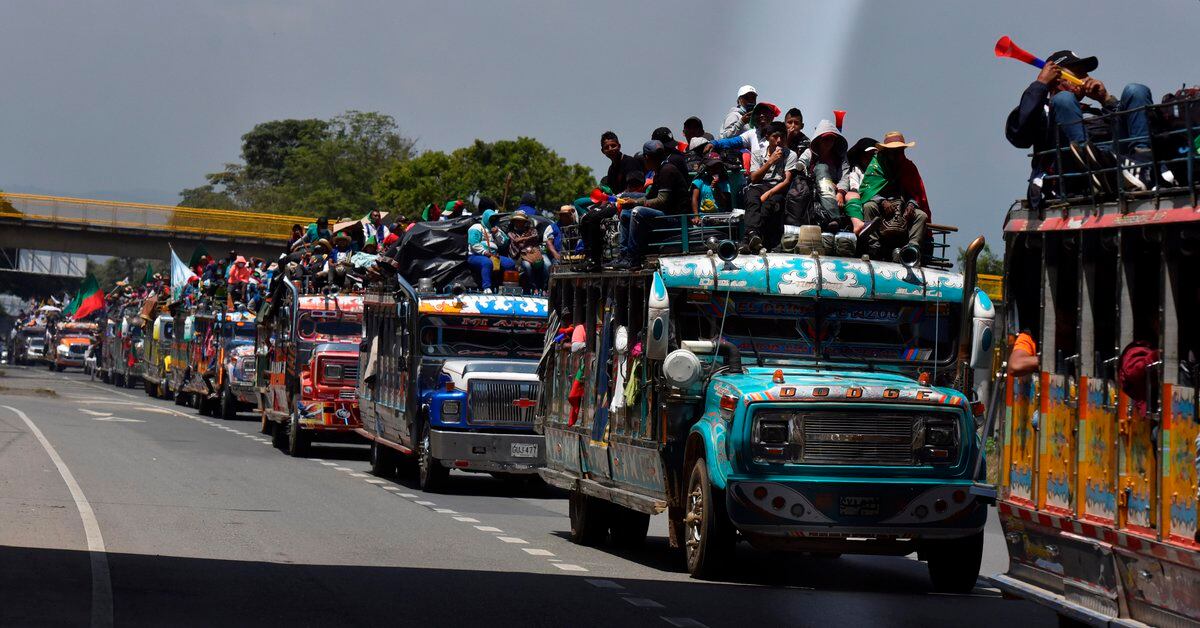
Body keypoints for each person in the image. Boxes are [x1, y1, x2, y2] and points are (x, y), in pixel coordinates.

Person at [1005, 49, 1155, 202]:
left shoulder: (1095, 111)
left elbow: (1131, 128)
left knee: (1136, 90)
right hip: (1074, 175)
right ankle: (1090, 163)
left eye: (1086, 73)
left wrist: (1106, 99)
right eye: (1078, 73)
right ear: (1057, 78)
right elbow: (1019, 136)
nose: (1086, 78)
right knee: (1064, 100)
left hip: (1115, 164)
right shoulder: (1043, 111)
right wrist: (1040, 84)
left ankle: (1144, 167)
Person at [846, 131, 931, 263]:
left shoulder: (908, 167)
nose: (897, 154)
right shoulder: (875, 165)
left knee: (921, 216)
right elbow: (867, 191)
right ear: (886, 151)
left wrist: (911, 205)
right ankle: (874, 248)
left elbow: (915, 193)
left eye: (900, 150)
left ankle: (911, 250)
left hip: (902, 207)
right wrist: (882, 201)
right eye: (893, 151)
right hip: (881, 209)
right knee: (869, 207)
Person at [614, 141, 689, 268]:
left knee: (637, 211)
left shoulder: (667, 170)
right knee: (626, 212)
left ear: (647, 157)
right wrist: (629, 201)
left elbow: (661, 200)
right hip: (665, 215)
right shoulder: (659, 171)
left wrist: (635, 203)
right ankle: (624, 255)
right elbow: (649, 197)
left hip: (675, 219)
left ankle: (633, 258)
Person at [786, 119, 851, 230]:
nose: (828, 142)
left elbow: (845, 176)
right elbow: (802, 161)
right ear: (819, 140)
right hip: (813, 186)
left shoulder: (840, 157)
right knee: (822, 168)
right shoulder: (810, 152)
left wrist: (840, 192)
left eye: (831, 139)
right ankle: (833, 218)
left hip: (835, 189)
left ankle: (834, 221)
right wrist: (800, 165)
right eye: (825, 139)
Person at [741, 121, 796, 252]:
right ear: (767, 137)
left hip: (777, 188)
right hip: (759, 185)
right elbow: (754, 178)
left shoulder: (791, 154)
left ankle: (748, 238)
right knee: (751, 199)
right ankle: (752, 235)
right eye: (775, 137)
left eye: (782, 137)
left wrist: (769, 193)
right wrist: (770, 161)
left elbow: (786, 181)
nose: (779, 140)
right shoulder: (757, 153)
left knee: (768, 205)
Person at [466, 209, 514, 293]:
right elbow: (473, 244)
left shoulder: (496, 230)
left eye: (495, 219)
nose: (493, 221)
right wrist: (485, 253)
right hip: (476, 256)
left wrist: (497, 233)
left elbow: (503, 243)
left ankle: (505, 288)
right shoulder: (476, 227)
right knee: (487, 262)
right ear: (486, 218)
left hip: (493, 256)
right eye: (491, 219)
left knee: (509, 263)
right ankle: (487, 288)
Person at [507, 213, 547, 292]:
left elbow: (535, 236)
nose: (518, 223)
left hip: (533, 253)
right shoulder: (511, 233)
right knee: (527, 265)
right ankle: (534, 287)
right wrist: (528, 238)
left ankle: (545, 287)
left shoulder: (532, 230)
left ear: (524, 222)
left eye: (520, 221)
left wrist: (524, 239)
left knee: (547, 264)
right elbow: (516, 241)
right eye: (516, 221)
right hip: (519, 256)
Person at [843, 137, 879, 207]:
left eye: (872, 155)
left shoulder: (878, 170)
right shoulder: (854, 171)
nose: (870, 158)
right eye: (867, 155)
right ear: (860, 156)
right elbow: (856, 189)